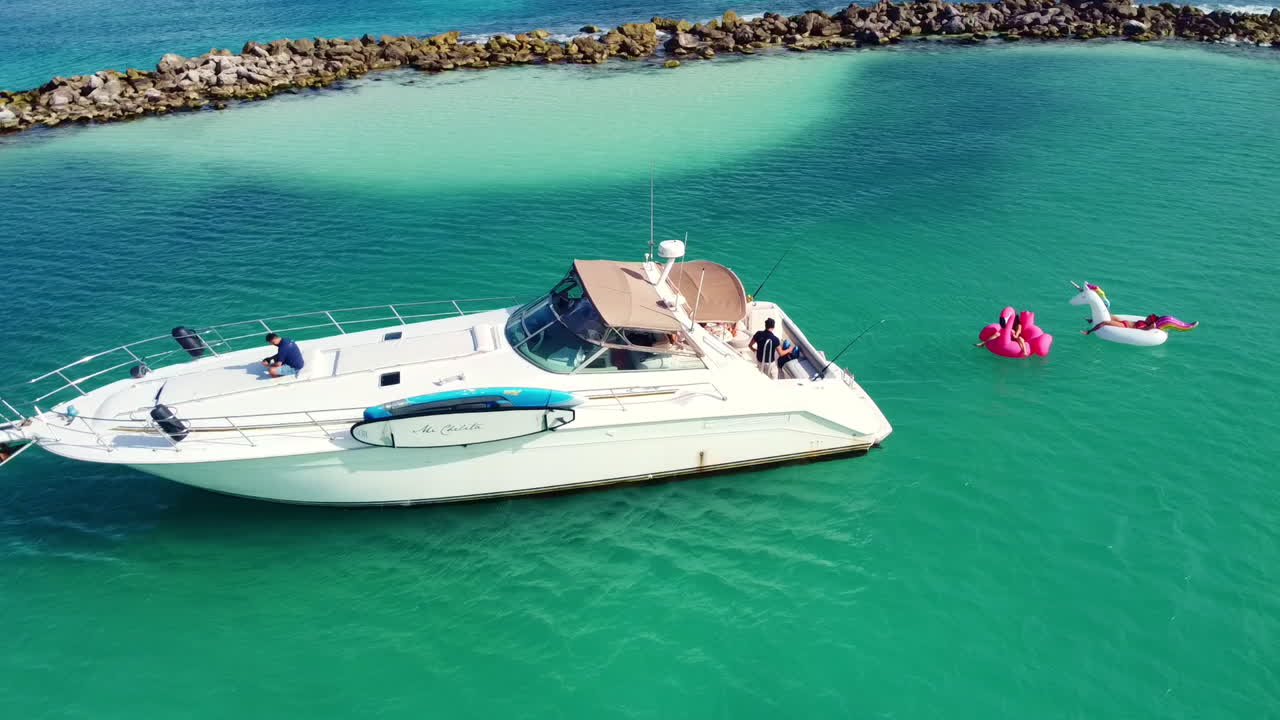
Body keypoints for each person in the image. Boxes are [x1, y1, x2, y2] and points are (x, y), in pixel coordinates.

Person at [1082, 314, 1158, 335]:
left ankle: (1089, 331)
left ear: (1150, 321)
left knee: (1105, 322)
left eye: (1149, 318)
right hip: (1123, 321)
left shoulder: (1145, 326)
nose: (1147, 317)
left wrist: (1150, 328)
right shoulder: (1144, 322)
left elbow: (1142, 330)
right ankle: (1091, 320)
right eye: (1148, 316)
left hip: (1125, 326)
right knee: (1109, 315)